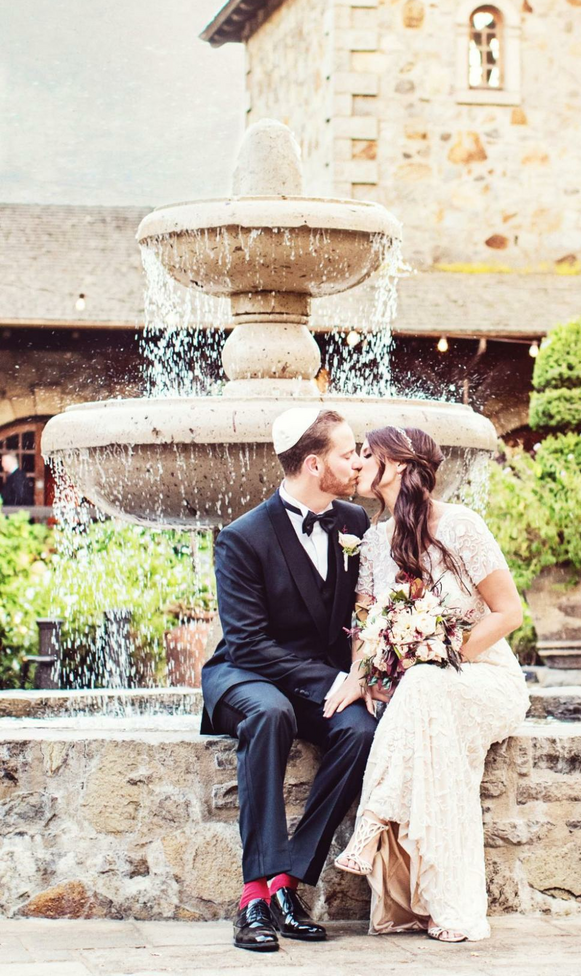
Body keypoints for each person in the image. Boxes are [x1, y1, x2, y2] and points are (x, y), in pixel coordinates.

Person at [325, 425, 529, 943]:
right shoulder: (373, 541)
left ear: (394, 464)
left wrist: (442, 654)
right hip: (425, 687)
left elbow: (509, 613)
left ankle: (372, 823)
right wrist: (363, 678)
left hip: (485, 676)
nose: (357, 464)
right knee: (424, 698)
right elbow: (366, 620)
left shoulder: (460, 525)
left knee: (423, 684)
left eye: (366, 455)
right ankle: (443, 905)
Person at [201, 407, 376, 954]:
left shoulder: (354, 523)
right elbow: (248, 643)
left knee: (361, 731)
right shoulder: (242, 537)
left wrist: (361, 675)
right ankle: (252, 896)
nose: (359, 461)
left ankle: (287, 882)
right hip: (245, 675)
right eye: (348, 453)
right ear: (314, 464)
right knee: (269, 712)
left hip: (316, 681)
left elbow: (365, 613)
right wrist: (336, 679)